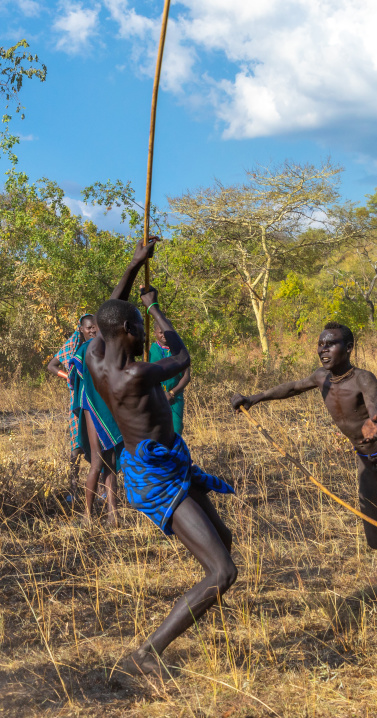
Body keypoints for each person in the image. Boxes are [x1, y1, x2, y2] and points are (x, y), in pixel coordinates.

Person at [86, 238, 236, 676]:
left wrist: (135, 265)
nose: (144, 331)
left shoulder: (98, 359)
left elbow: (109, 310)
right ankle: (146, 654)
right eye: (139, 325)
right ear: (131, 331)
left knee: (222, 543)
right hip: (156, 477)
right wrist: (154, 307)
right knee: (222, 572)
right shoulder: (138, 374)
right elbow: (184, 356)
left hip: (165, 463)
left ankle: (195, 617)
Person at [231, 322, 377, 595]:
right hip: (365, 456)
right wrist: (254, 398)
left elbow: (375, 407)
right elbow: (293, 388)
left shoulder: (363, 378)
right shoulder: (321, 377)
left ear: (348, 348)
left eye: (330, 343)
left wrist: (373, 421)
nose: (323, 349)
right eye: (320, 344)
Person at [69, 340, 123, 526]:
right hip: (92, 406)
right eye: (89, 328)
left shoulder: (113, 346)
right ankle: (87, 515)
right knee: (97, 461)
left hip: (109, 406)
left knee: (112, 463)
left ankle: (113, 515)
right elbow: (74, 377)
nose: (93, 331)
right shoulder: (87, 349)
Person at [47, 314, 97, 500]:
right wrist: (67, 375)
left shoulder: (101, 345)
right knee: (76, 446)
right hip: (77, 400)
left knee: (99, 444)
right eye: (89, 327)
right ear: (81, 330)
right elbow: (52, 365)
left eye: (95, 327)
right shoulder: (73, 346)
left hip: (98, 401)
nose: (93, 330)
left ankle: (100, 490)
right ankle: (73, 489)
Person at [149, 321, 191, 434]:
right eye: (160, 332)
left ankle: (174, 451)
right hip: (155, 398)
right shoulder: (149, 351)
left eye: (166, 332)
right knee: (157, 432)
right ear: (155, 333)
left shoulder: (179, 350)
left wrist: (172, 393)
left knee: (175, 429)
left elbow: (186, 377)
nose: (164, 335)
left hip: (175, 398)